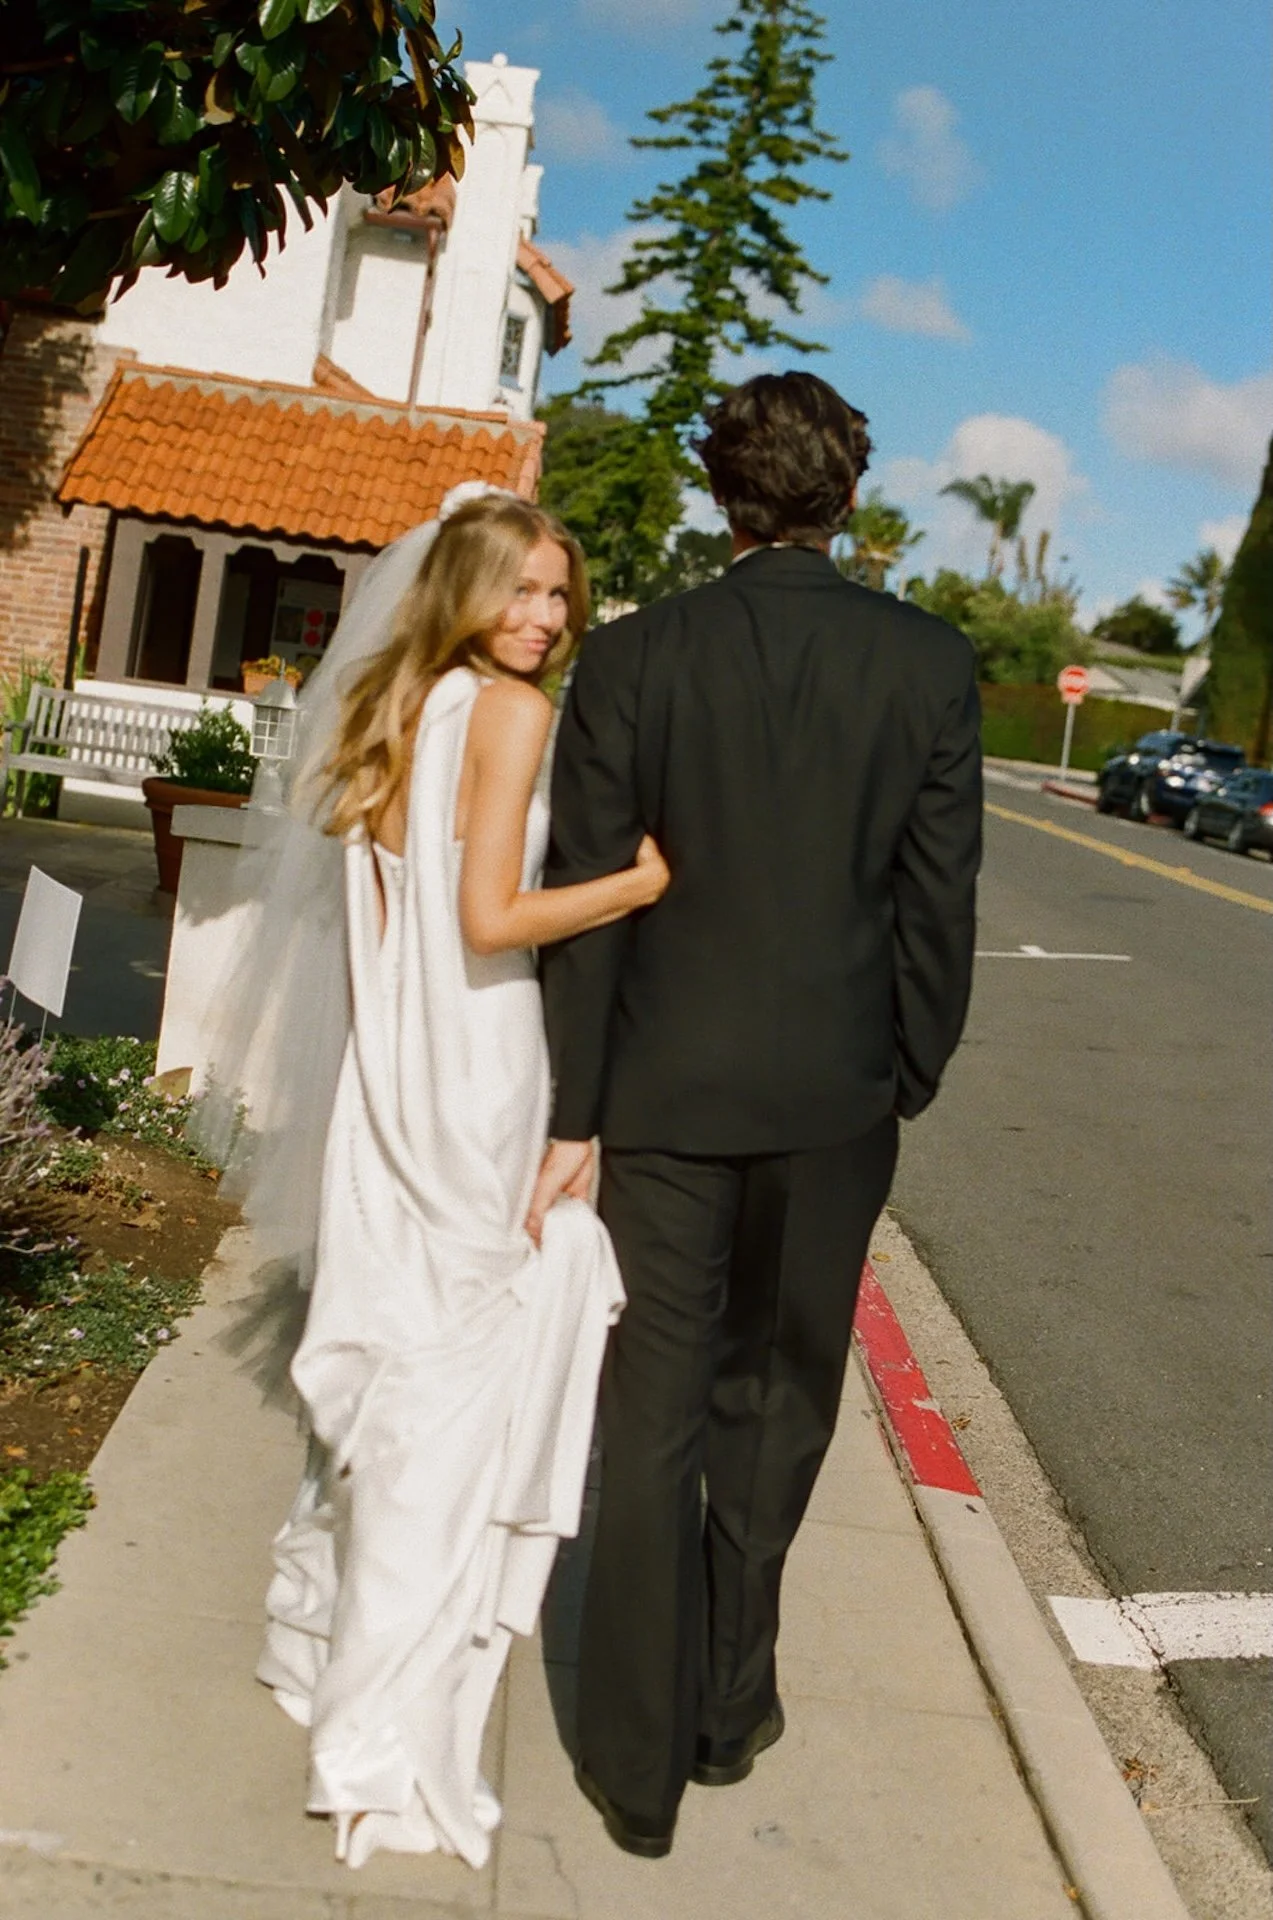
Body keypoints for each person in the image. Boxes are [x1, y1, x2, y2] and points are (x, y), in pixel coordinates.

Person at [531, 371, 983, 1858]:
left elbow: (588, 915)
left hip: (660, 1090)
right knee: (779, 1398)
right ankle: (732, 1706)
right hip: (837, 1095)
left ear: (723, 496)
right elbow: (936, 903)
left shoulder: (636, 658)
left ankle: (635, 1765)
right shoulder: (925, 666)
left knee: (648, 1414)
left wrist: (574, 1107)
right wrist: (905, 1068)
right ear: (846, 497)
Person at [202, 488, 668, 1870]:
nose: (544, 619)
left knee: (388, 1372)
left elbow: (382, 932)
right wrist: (638, 887)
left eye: (559, 599)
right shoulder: (512, 716)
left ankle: (318, 1643)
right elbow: (491, 919)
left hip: (388, 1085)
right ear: (467, 587)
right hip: (476, 1072)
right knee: (448, 1401)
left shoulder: (389, 709)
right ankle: (382, 1720)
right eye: (522, 591)